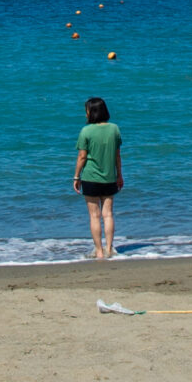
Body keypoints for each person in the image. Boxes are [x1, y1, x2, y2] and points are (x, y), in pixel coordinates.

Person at [73, 97, 123, 260]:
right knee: (108, 214)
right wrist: (119, 175)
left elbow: (82, 157)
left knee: (94, 216)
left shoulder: (86, 131)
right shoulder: (114, 129)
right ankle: (109, 249)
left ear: (92, 112)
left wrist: (76, 176)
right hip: (110, 177)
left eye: (86, 110)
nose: (85, 113)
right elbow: (117, 155)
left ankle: (99, 251)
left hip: (91, 178)